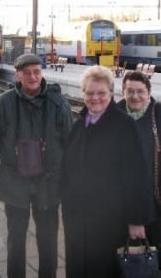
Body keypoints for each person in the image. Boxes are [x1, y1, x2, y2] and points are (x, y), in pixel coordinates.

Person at [60, 65, 151, 278]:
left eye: (101, 93)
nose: (95, 98)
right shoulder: (80, 124)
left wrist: (137, 219)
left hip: (109, 220)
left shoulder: (124, 125)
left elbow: (137, 173)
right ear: (83, 94)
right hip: (77, 219)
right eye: (90, 93)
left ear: (111, 94)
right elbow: (67, 166)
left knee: (102, 269)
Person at [0, 53, 73, 278]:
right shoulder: (3, 103)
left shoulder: (58, 103)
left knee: (48, 242)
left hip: (49, 185)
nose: (33, 76)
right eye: (26, 72)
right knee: (16, 240)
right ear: (17, 75)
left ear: (41, 73)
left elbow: (70, 143)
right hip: (15, 185)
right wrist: (11, 162)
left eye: (36, 71)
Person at [117, 70, 161, 267]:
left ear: (149, 92)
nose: (135, 96)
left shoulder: (158, 114)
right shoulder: (113, 115)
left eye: (140, 91)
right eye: (130, 91)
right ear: (122, 92)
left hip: (156, 201)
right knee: (131, 260)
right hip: (123, 205)